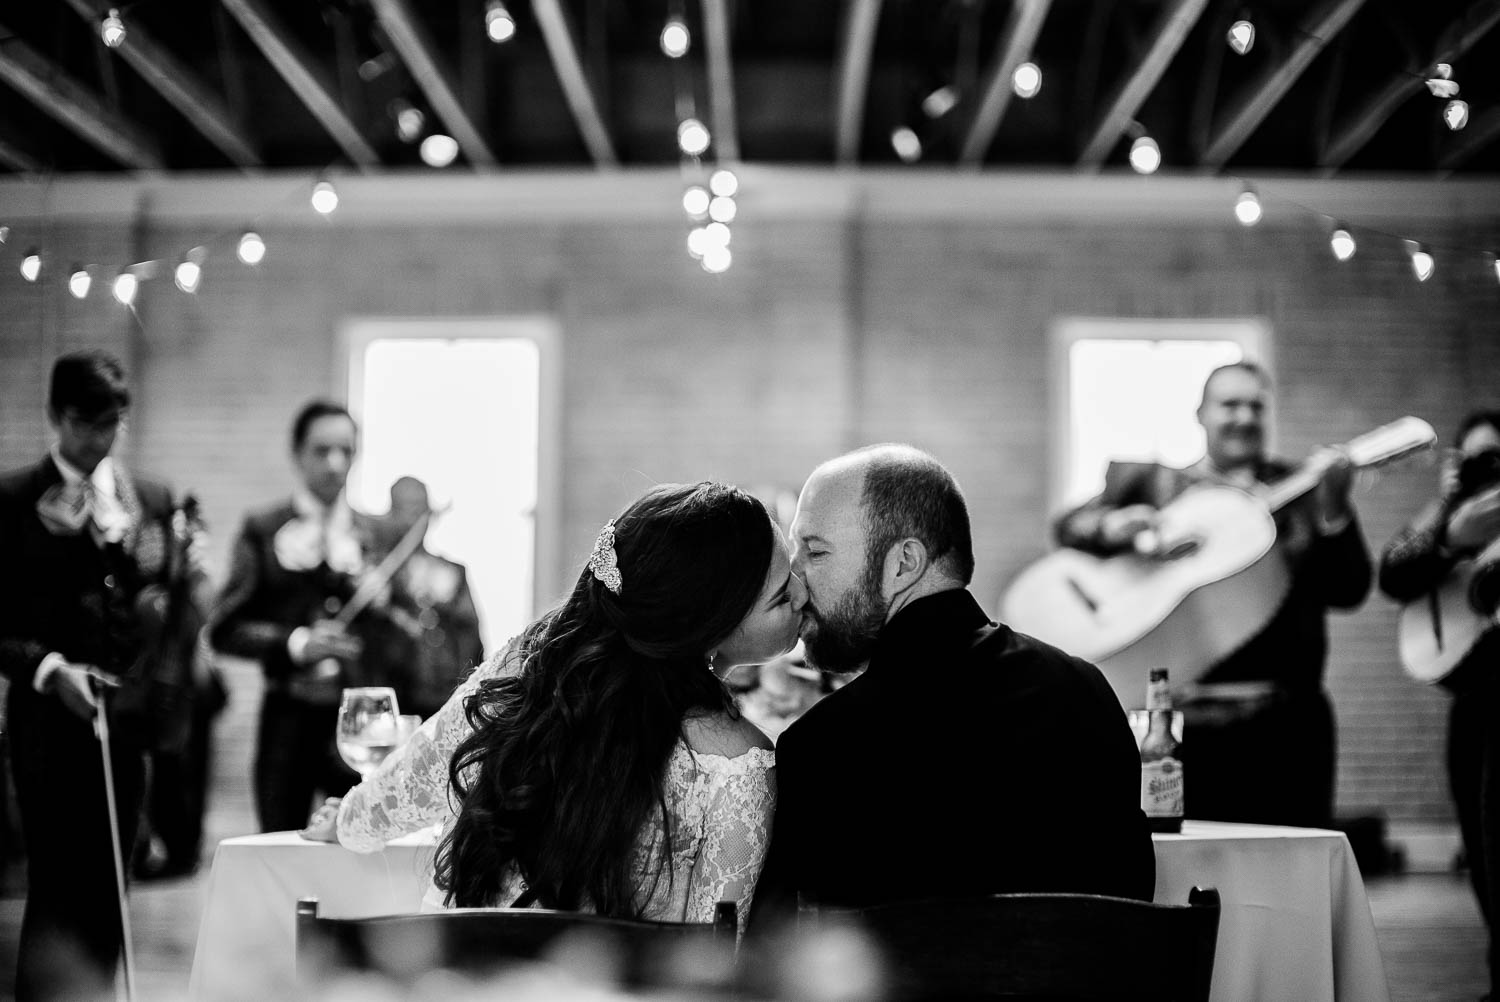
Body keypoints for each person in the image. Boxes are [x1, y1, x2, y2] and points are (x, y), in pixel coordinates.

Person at [304, 482, 802, 935]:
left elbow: (413, 781)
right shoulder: (739, 764)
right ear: (712, 624)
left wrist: (348, 819)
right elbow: (707, 961)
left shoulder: (535, 671)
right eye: (782, 596)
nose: (803, 595)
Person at [749, 445, 1154, 931]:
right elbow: (1133, 906)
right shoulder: (1086, 691)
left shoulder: (826, 746)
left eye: (814, 552)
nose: (796, 582)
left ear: (904, 563)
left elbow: (774, 957)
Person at [1054, 361, 1371, 828]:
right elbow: (1068, 525)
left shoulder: (1304, 493)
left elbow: (1349, 589)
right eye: (1230, 404)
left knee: (1287, 866)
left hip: (1284, 725)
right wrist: (1111, 525)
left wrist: (1335, 511)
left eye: (1256, 406)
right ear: (1201, 414)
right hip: (1180, 722)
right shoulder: (1159, 487)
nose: (1244, 416)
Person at [0, 352, 184, 1000]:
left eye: (112, 424)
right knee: (55, 883)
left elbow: (171, 596)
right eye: (85, 423)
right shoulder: (12, 499)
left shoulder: (151, 500)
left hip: (124, 722)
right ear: (55, 416)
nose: (99, 438)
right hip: (48, 721)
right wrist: (48, 670)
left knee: (111, 879)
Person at [210, 400, 403, 832]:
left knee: (366, 844)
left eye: (346, 451)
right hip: (289, 716)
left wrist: (387, 604)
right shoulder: (263, 527)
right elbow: (225, 629)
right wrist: (296, 643)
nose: (336, 464)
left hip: (364, 720)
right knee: (282, 846)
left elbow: (406, 634)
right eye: (322, 451)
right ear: (297, 453)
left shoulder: (381, 533)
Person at [1380, 410, 1500, 998]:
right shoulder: (1450, 514)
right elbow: (1394, 572)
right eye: (1475, 458)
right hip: (1476, 705)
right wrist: (1451, 533)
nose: (1488, 469)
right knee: (1485, 848)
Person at [375, 476, 483, 719]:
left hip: (444, 700)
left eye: (421, 510)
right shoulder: (380, 573)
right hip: (394, 701)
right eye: (406, 510)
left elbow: (472, 637)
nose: (415, 519)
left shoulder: (451, 571)